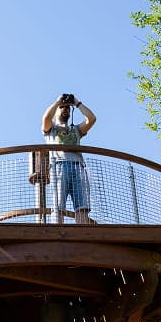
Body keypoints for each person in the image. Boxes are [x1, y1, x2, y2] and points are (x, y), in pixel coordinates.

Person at [41, 93, 97, 224]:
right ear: (56, 111)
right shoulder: (51, 129)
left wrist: (76, 103)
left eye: (67, 107)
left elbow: (92, 119)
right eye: (62, 107)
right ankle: (57, 232)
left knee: (82, 206)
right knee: (58, 204)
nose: (64, 109)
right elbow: (45, 118)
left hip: (78, 166)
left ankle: (83, 234)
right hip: (59, 165)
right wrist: (57, 102)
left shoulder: (76, 129)